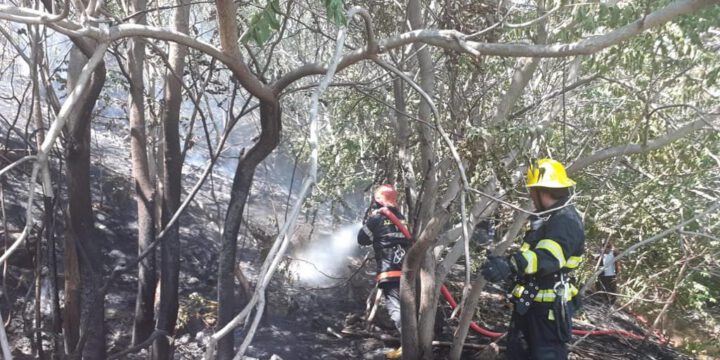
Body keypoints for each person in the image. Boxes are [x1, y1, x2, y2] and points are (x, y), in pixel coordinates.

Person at [480, 159, 585, 360]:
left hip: (548, 315)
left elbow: (549, 258)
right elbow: (532, 255)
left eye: (532, 190)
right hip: (531, 307)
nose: (530, 195)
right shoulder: (547, 218)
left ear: (541, 190)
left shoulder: (566, 220)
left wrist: (511, 264)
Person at [357, 184, 410, 359]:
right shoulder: (403, 219)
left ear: (378, 200)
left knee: (396, 310)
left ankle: (408, 348)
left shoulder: (377, 218)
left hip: (389, 273)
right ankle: (411, 344)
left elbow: (362, 239)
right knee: (408, 309)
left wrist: (369, 220)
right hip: (407, 273)